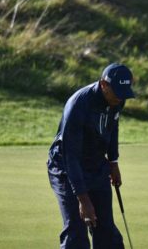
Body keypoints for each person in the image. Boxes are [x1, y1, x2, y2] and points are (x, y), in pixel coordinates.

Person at [47, 63, 135, 249]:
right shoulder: (79, 105)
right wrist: (84, 200)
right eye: (118, 92)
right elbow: (70, 157)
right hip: (65, 168)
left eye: (124, 93)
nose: (121, 98)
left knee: (106, 232)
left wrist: (113, 161)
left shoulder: (117, 99)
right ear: (104, 84)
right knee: (76, 234)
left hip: (96, 164)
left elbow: (113, 127)